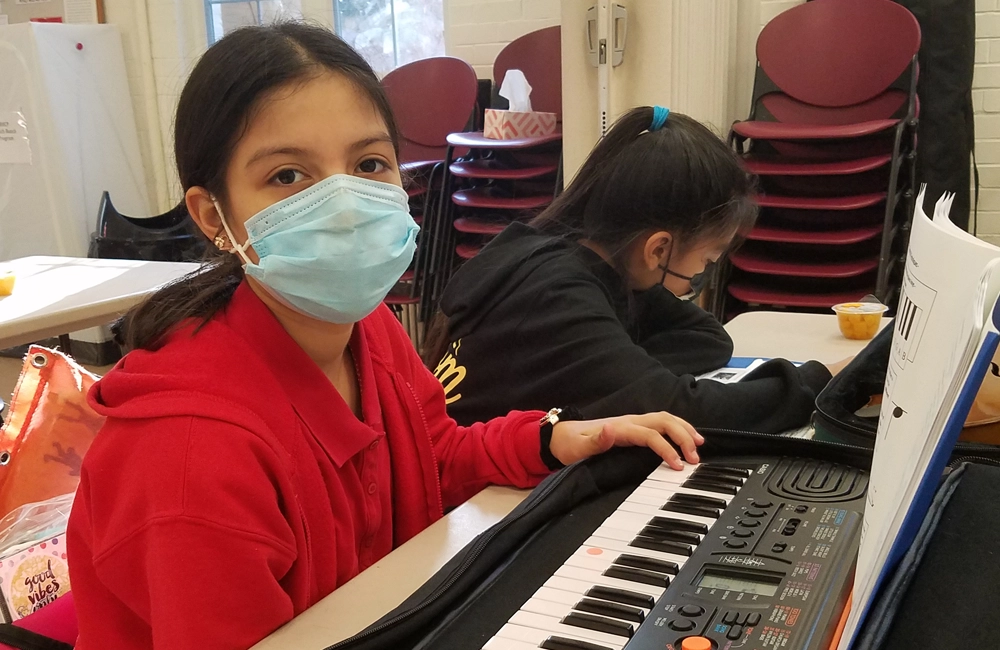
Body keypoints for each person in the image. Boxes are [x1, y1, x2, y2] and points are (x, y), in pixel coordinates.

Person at [65, 25, 702, 650]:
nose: (344, 205)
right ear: (214, 216)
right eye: (288, 176)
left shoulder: (365, 328)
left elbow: (434, 461)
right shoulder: (189, 463)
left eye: (369, 163)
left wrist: (556, 438)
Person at [426, 107, 842, 434]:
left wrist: (621, 377)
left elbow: (708, 339)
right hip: (461, 504)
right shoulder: (558, 293)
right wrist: (818, 381)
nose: (700, 276)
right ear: (658, 248)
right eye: (706, 262)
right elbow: (682, 410)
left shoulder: (574, 261)